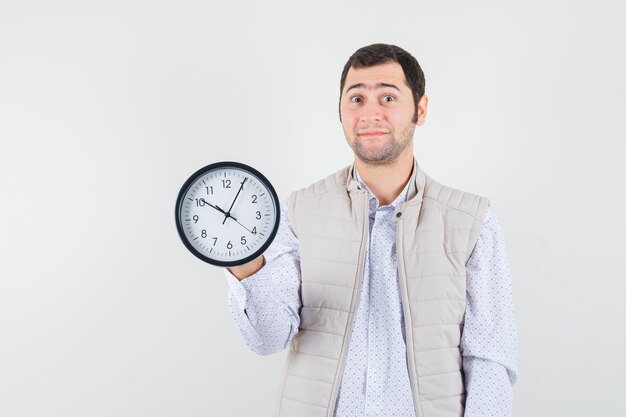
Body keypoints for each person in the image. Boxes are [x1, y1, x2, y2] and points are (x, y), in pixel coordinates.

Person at [223, 43, 517, 417]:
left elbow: (490, 358)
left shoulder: (473, 220)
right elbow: (267, 338)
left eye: (388, 97)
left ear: (420, 110)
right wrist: (244, 263)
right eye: (357, 98)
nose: (370, 112)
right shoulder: (296, 212)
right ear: (341, 112)